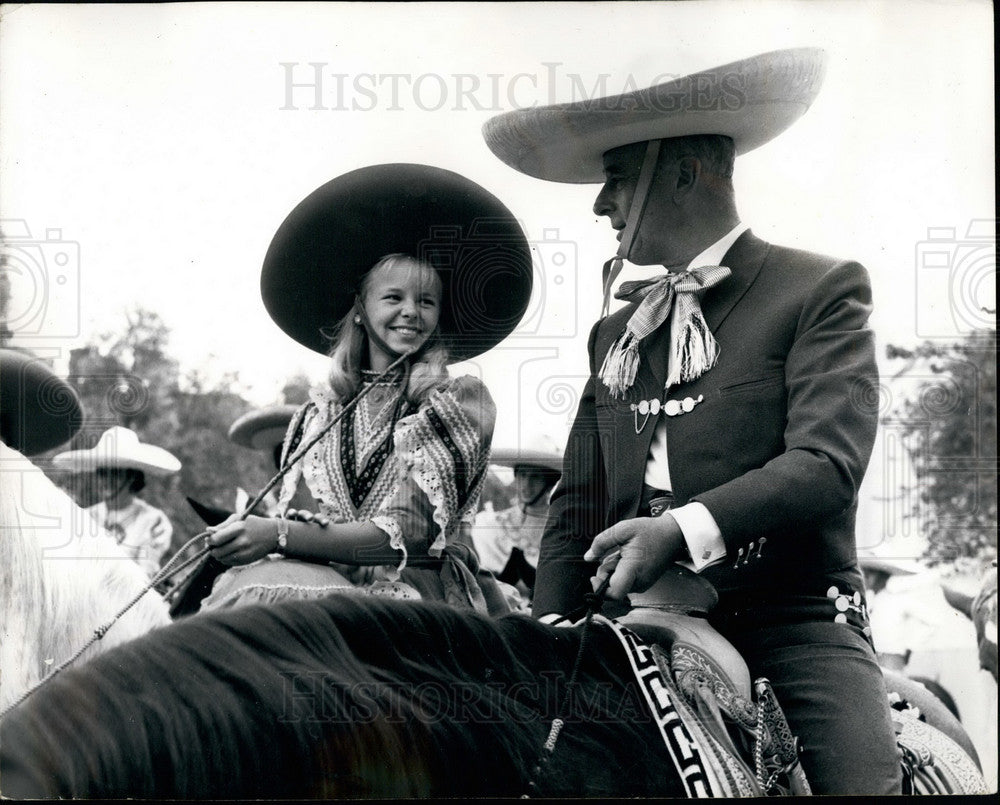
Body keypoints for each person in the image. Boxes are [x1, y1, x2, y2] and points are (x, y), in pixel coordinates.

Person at [483, 48, 902, 794]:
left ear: (682, 173)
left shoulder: (819, 290)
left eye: (616, 176)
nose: (600, 204)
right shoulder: (617, 333)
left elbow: (826, 464)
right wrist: (547, 633)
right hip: (622, 623)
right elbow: (575, 503)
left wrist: (676, 532)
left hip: (791, 623)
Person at [202, 163, 532, 615]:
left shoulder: (456, 402)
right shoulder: (319, 412)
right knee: (248, 588)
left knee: (270, 592)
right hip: (340, 579)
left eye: (426, 301)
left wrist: (280, 533)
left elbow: (411, 532)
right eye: (393, 298)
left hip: (424, 593)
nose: (411, 313)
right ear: (360, 309)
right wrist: (299, 526)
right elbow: (315, 517)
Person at [52, 426, 180, 579]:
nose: (107, 481)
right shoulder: (86, 516)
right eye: (102, 473)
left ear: (132, 477)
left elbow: (144, 577)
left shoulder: (153, 521)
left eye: (115, 474)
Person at [471, 436, 563, 601]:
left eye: (535, 477)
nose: (526, 485)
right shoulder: (490, 523)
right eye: (522, 475)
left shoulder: (560, 528)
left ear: (549, 482)